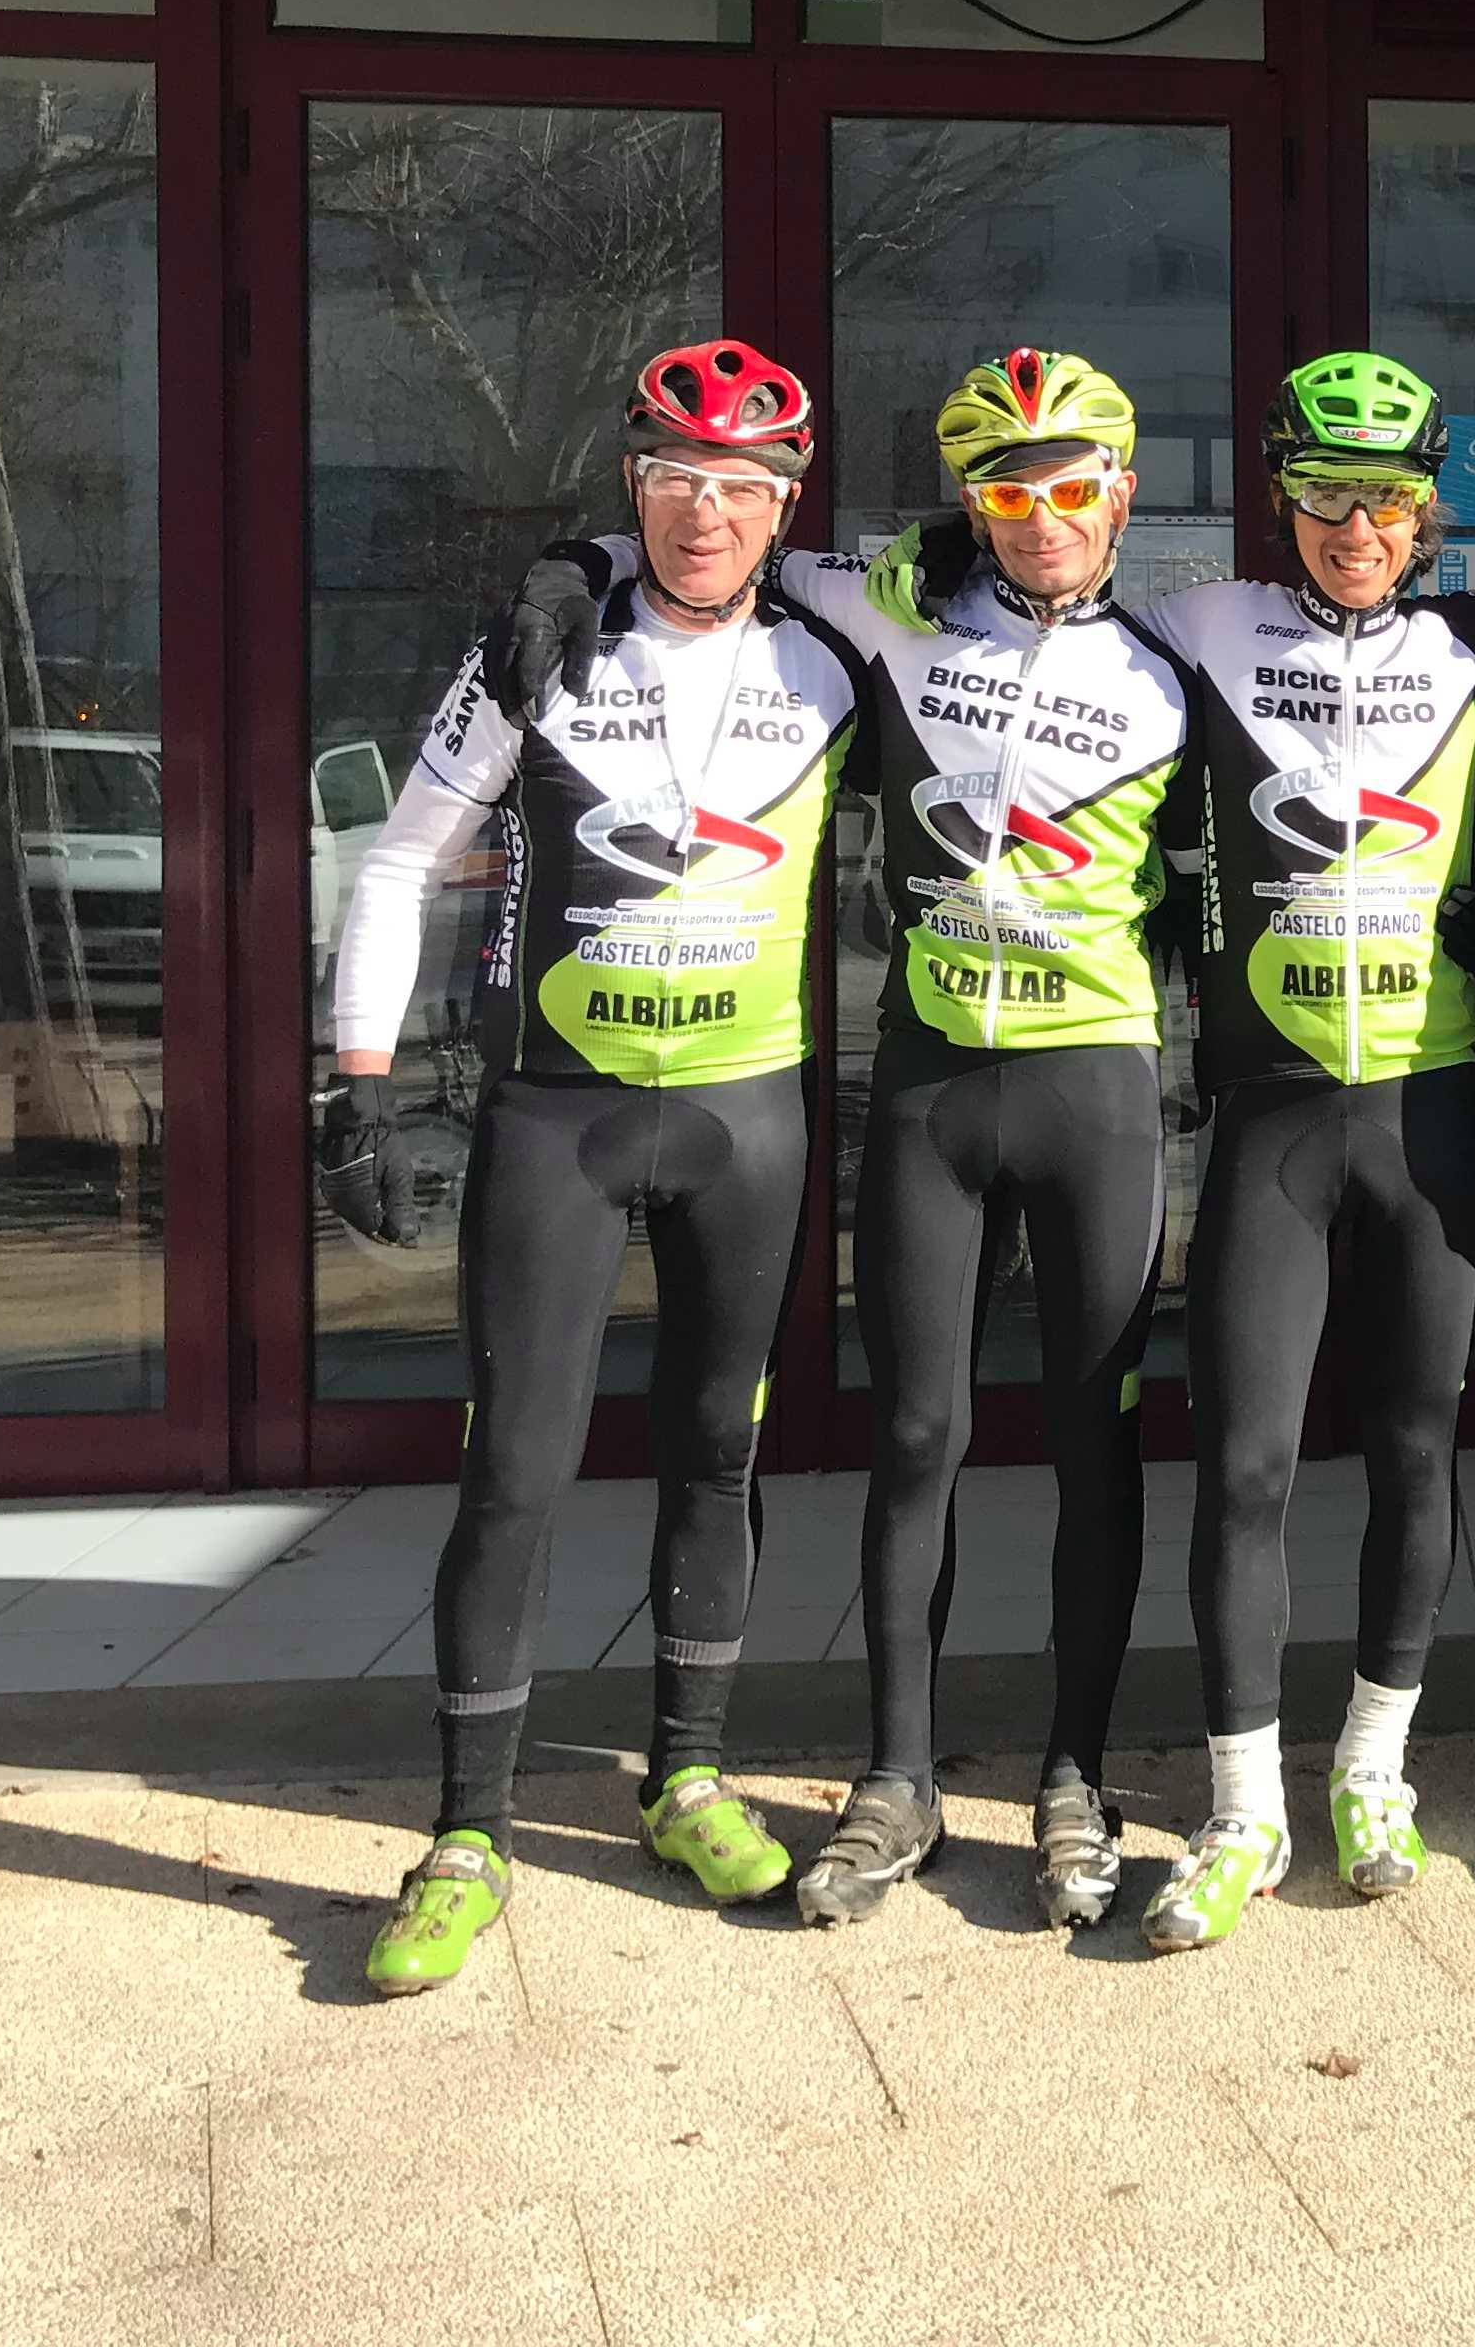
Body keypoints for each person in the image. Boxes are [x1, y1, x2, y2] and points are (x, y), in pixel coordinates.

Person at [502, 347, 1190, 1933]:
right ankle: (899, 1779)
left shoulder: (1186, 658)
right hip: (936, 1089)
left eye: (1071, 485)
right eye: (1002, 489)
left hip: (1096, 1090)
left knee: (1093, 1446)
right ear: (969, 502)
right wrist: (571, 566)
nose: (1039, 516)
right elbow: (712, 531)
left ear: (1122, 495)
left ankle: (1075, 1776)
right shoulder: (886, 610)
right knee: (918, 1438)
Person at [335, 340, 856, 1998]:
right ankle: (466, 1832)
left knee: (718, 1455)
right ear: (635, 486)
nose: (709, 513)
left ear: (787, 509)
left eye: (744, 486)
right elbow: (399, 862)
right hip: (557, 1118)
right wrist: (358, 1089)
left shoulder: (841, 648)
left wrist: (576, 553)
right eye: (677, 480)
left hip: (746, 1120)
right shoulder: (542, 647)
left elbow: (992, 587)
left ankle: (685, 1779)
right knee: (516, 1471)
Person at [1114, 354, 1475, 1949]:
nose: (1359, 530)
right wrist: (585, 563)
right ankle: (1242, 1806)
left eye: (1390, 501)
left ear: (1428, 513)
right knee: (1246, 1466)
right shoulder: (1204, 627)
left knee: (1417, 1450)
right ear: (1282, 499)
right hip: (1274, 1111)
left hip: (1431, 1104)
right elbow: (1020, 610)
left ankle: (1371, 1770)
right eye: (1328, 498)